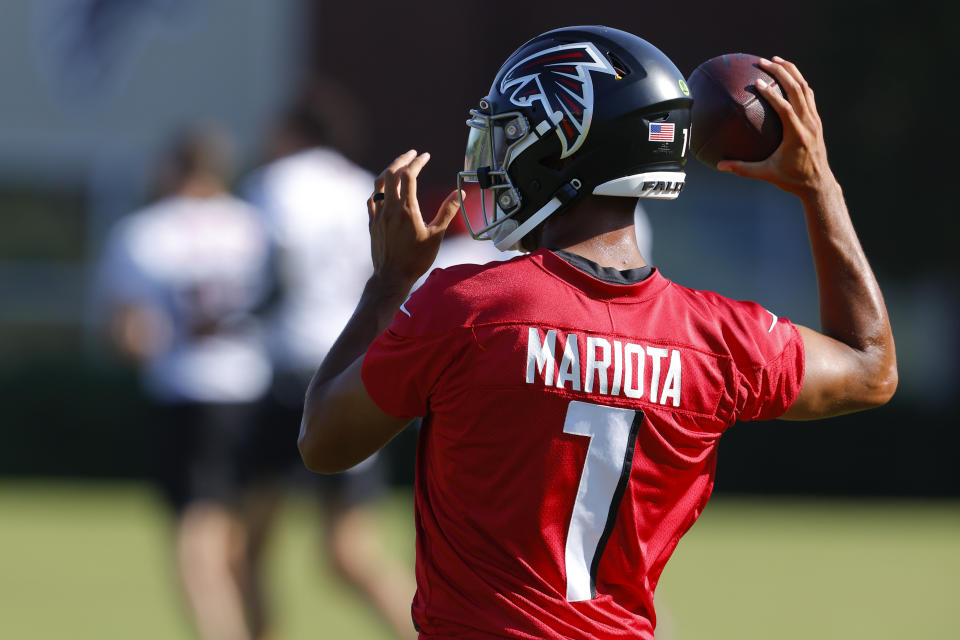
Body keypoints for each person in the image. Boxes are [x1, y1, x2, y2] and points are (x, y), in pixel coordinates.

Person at [298, 26, 897, 639]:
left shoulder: (466, 308)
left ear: (565, 150)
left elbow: (323, 441)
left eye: (513, 138)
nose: (496, 161)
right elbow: (871, 367)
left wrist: (390, 281)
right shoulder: (720, 341)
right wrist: (818, 184)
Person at [241, 87, 418, 640]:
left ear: (293, 132)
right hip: (352, 365)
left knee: (244, 544)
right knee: (348, 550)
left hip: (289, 367)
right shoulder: (359, 185)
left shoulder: (274, 185)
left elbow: (271, 272)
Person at [98, 125, 273, 640]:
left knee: (196, 535)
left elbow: (132, 334)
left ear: (174, 166)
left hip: (187, 392)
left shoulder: (145, 231)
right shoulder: (253, 226)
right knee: (243, 539)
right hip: (254, 387)